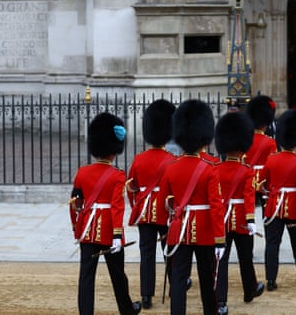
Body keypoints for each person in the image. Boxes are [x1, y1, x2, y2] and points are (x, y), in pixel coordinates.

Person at [69, 112, 142, 315]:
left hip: (87, 231)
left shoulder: (82, 172)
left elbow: (75, 203)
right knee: (118, 275)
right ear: (114, 150)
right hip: (110, 232)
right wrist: (118, 235)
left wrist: (78, 229)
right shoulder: (117, 175)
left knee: (86, 276)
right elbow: (117, 206)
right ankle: (126, 309)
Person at [158, 99, 226, 315]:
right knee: (207, 279)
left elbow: (164, 203)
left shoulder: (171, 168)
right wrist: (220, 239)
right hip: (205, 231)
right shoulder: (210, 169)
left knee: (178, 279)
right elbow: (216, 208)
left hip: (179, 230)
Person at [213, 112, 265, 315]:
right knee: (245, 257)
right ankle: (249, 290)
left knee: (221, 261)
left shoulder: (215, 169)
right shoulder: (247, 170)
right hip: (242, 220)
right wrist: (251, 219)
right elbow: (249, 196)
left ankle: (221, 301)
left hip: (222, 219)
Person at [126, 99, 176, 309]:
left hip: (145, 212)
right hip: (165, 212)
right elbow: (176, 190)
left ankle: (146, 295)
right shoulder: (172, 159)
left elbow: (131, 188)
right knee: (170, 251)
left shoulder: (139, 159)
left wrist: (136, 206)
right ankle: (176, 286)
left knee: (146, 254)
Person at [262, 109, 296, 291]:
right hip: (292, 207)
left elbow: (263, 183)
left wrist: (269, 192)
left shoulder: (271, 160)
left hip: (273, 207)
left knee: (272, 244)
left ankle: (270, 279)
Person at [245, 95, 278, 210]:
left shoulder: (246, 140)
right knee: (267, 210)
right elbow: (272, 165)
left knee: (248, 210)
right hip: (264, 180)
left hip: (248, 178)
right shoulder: (270, 142)